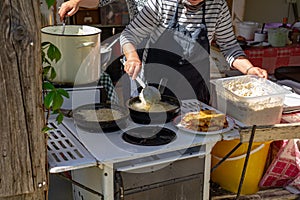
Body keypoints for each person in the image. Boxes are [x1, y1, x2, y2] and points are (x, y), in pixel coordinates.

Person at [120, 0, 268, 104]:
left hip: (195, 92)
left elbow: (229, 45)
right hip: (156, 88)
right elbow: (128, 35)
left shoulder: (217, 5)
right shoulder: (162, 2)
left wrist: (249, 69)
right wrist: (132, 57)